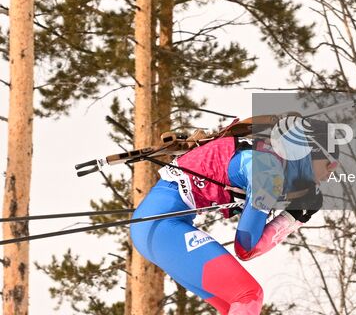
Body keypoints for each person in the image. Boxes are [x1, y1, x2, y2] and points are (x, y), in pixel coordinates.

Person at [129, 116, 337, 314]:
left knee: (234, 306)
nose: (332, 171)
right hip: (162, 228)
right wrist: (292, 218)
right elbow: (246, 247)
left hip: (157, 228)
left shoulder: (263, 161)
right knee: (248, 296)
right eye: (330, 161)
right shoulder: (267, 171)